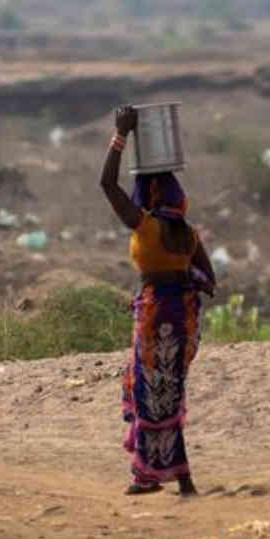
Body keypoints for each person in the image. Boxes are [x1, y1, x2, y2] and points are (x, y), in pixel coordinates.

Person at [100, 104, 216, 497]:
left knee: (152, 393)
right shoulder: (187, 232)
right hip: (183, 316)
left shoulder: (145, 225)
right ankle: (180, 478)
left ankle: (150, 476)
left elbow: (107, 185)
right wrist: (184, 282)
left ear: (148, 192)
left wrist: (121, 135)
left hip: (155, 315)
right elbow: (210, 280)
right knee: (169, 391)